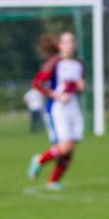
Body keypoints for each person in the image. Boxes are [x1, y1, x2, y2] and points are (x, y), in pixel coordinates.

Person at [27, 32, 86, 192]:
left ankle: (53, 182)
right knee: (64, 147)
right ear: (60, 45)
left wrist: (81, 87)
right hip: (57, 109)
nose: (70, 45)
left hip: (74, 108)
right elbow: (38, 83)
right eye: (66, 42)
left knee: (70, 149)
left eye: (72, 41)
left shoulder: (79, 64)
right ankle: (39, 160)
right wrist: (56, 95)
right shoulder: (54, 63)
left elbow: (77, 87)